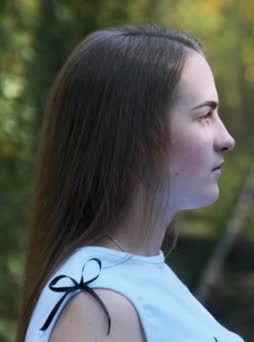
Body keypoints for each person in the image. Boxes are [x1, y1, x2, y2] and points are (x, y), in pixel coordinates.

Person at [16, 25, 241, 342]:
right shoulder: (95, 308)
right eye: (205, 115)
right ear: (135, 137)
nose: (226, 139)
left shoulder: (130, 278)